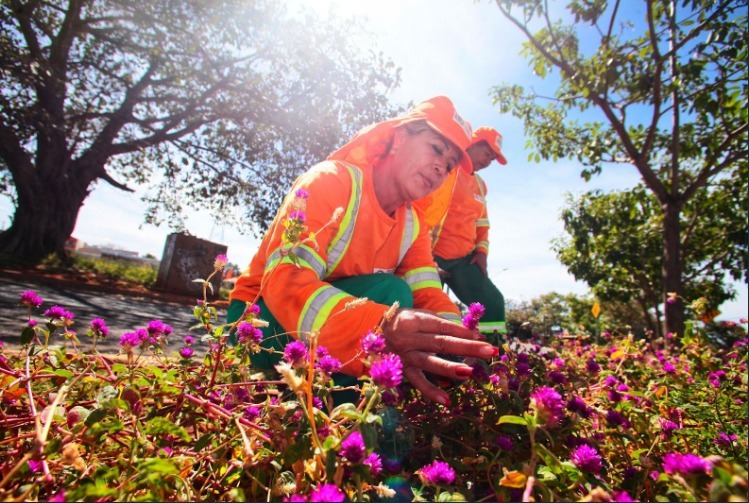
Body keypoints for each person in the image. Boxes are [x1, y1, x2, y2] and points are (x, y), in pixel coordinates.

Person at [227, 96, 499, 406]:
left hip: (323, 328)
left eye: (449, 165)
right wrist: (381, 325)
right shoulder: (330, 182)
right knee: (391, 293)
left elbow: (428, 295)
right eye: (436, 149)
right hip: (257, 321)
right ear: (398, 138)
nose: (440, 168)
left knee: (400, 304)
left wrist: (456, 340)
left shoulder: (414, 225)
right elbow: (285, 282)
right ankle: (327, 412)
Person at [414, 126, 508, 337]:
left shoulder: (481, 186)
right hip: (428, 255)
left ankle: (492, 359)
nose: (488, 161)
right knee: (430, 311)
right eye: (487, 153)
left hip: (463, 261)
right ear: (474, 143)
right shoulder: (448, 168)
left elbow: (482, 222)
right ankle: (430, 363)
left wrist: (482, 252)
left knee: (493, 302)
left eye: (493, 158)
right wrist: (420, 251)